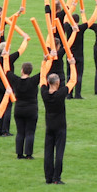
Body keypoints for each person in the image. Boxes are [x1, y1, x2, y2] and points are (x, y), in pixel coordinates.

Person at [41, 50, 75, 181]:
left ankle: (48, 177)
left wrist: (44, 62)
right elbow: (73, 80)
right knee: (59, 152)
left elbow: (42, 77)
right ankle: (57, 177)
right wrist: (72, 64)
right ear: (57, 83)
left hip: (49, 124)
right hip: (60, 125)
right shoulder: (60, 94)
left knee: (48, 151)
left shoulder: (44, 92)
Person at [9, 61, 41, 161]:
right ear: (30, 71)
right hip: (31, 109)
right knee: (30, 132)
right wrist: (46, 60)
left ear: (22, 70)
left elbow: (7, 71)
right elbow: (44, 71)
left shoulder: (16, 80)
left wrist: (5, 56)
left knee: (20, 132)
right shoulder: (33, 81)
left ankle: (19, 153)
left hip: (19, 109)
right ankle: (28, 154)